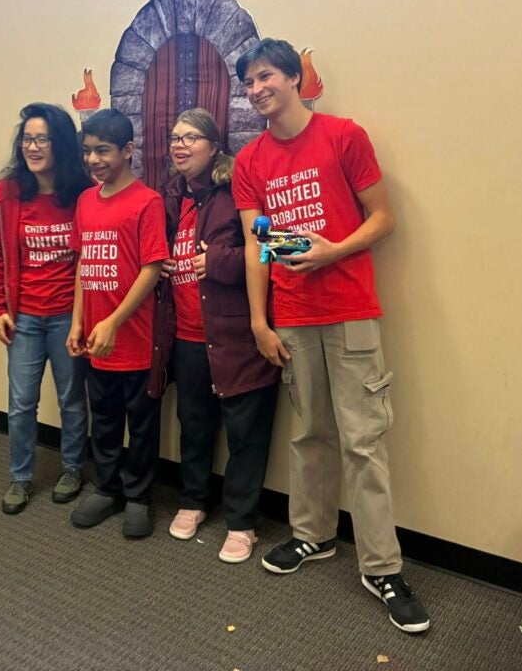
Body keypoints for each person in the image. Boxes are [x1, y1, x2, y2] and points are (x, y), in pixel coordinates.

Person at [231, 39, 430, 633]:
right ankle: (312, 535)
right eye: (248, 82)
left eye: (266, 76)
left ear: (294, 78)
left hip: (349, 311)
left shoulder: (344, 136)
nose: (257, 88)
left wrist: (333, 251)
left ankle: (381, 567)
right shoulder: (250, 163)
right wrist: (259, 321)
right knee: (310, 434)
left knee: (363, 442)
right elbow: (258, 241)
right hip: (291, 317)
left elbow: (384, 218)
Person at [149, 108, 280, 564]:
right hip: (185, 335)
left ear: (213, 144)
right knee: (195, 425)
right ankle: (193, 500)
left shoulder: (235, 191)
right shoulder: (170, 196)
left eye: (190, 137)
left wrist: (221, 261)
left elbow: (273, 243)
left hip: (237, 335)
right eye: (174, 138)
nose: (178, 146)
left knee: (245, 431)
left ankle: (242, 522)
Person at [0, 102, 93, 515]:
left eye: (41, 138)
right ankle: (21, 476)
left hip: (69, 315)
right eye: (27, 138)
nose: (32, 146)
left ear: (59, 143)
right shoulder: (8, 193)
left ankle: (71, 468)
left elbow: (90, 258)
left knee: (71, 400)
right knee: (21, 402)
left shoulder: (81, 193)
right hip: (24, 317)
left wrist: (83, 319)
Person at [67, 109, 169, 538]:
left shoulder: (148, 201)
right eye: (87, 151)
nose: (93, 160)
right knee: (104, 420)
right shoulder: (86, 201)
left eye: (103, 150)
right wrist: (79, 322)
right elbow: (83, 264)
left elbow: (151, 269)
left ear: (128, 150)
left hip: (136, 341)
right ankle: (107, 487)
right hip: (95, 341)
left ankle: (139, 496)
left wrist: (112, 321)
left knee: (141, 425)